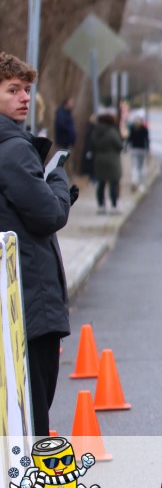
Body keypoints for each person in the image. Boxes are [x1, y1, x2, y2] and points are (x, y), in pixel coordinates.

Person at [0, 52, 75, 438]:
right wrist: (57, 179)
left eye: (27, 89)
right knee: (32, 414)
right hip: (29, 303)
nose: (24, 97)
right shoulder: (13, 150)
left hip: (13, 300)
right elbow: (48, 215)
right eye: (12, 89)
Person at [91, 109, 123, 215]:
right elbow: (119, 145)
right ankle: (113, 206)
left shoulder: (95, 132)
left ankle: (101, 206)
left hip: (99, 160)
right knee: (113, 183)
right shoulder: (112, 132)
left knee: (101, 184)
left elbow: (92, 145)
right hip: (112, 161)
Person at [126, 118, 150, 192]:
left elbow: (129, 139)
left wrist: (125, 148)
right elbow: (147, 140)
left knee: (134, 166)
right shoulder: (144, 129)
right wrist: (148, 149)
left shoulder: (133, 129)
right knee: (141, 167)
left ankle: (134, 180)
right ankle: (141, 184)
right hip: (142, 149)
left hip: (134, 149)